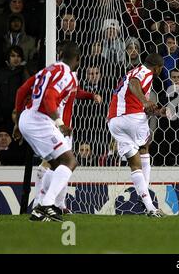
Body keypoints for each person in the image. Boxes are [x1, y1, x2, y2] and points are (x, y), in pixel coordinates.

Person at [14, 41, 102, 214]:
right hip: (41, 121)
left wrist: (17, 122)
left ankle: (46, 204)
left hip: (28, 117)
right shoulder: (66, 74)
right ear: (77, 59)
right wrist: (60, 124)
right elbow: (48, 97)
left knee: (57, 166)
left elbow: (21, 90)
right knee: (70, 161)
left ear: (60, 54)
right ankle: (44, 206)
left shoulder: (48, 70)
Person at [107, 53, 166, 217]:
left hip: (114, 121)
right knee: (145, 148)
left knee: (134, 163)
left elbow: (132, 90)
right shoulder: (145, 73)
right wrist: (145, 101)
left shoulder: (131, 71)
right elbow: (134, 84)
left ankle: (149, 206)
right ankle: (146, 196)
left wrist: (157, 111)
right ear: (157, 67)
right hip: (132, 117)